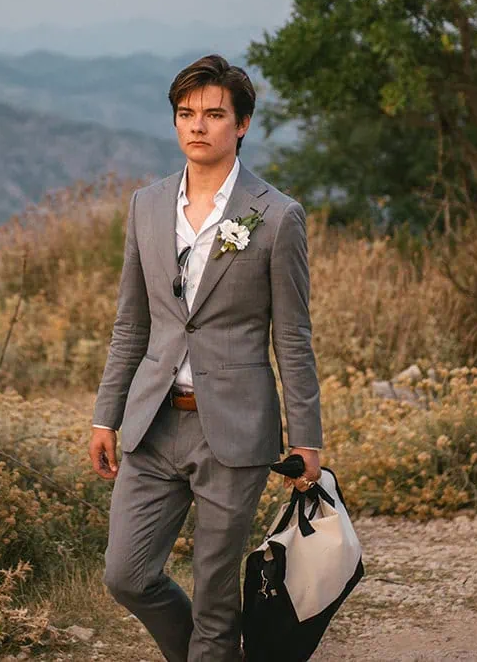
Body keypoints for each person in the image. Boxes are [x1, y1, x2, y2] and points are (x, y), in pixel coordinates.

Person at [89, 54, 322, 662]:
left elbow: (292, 337)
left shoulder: (275, 215)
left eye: (214, 114)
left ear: (240, 124)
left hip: (236, 431)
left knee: (218, 601)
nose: (198, 126)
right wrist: (104, 416)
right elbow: (131, 322)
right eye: (186, 114)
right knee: (127, 574)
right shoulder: (146, 204)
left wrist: (308, 439)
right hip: (153, 422)